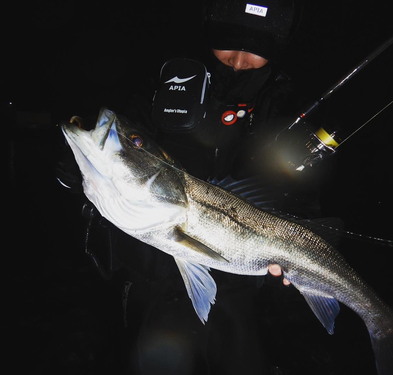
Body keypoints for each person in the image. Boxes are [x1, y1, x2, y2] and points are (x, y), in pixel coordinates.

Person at [56, 0, 332, 373]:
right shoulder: (165, 80)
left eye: (258, 49)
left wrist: (299, 231)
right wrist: (74, 175)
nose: (238, 58)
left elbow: (297, 189)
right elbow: (129, 154)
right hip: (151, 272)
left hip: (238, 282)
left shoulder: (284, 104)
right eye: (229, 41)